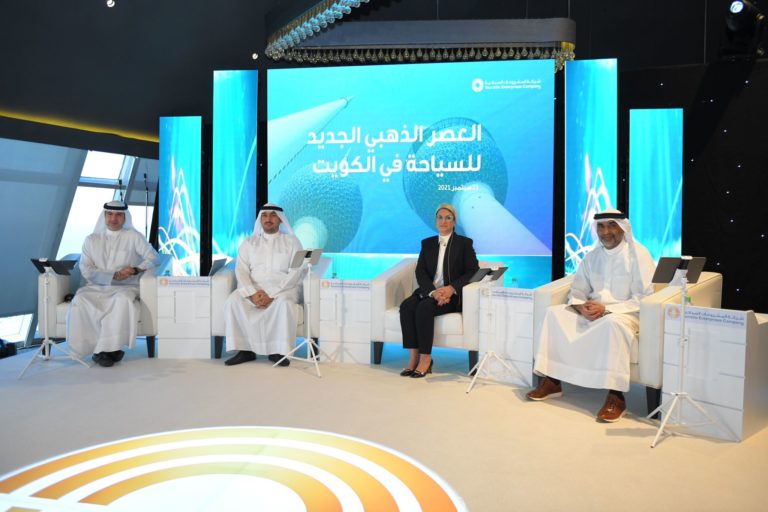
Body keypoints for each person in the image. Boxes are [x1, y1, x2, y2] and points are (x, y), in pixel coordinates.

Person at [527, 208, 656, 422]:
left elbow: (642, 299)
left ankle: (616, 396)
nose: (606, 232)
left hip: (626, 314)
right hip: (592, 312)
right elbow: (577, 291)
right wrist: (580, 307)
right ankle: (552, 381)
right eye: (601, 227)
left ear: (623, 228)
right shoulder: (592, 256)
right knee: (554, 314)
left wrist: (606, 309)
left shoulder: (638, 255)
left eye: (612, 226)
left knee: (612, 324)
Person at [67, 200, 159, 367]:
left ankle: (107, 350)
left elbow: (153, 258)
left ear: (125, 217)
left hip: (125, 287)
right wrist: (113, 275)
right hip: (95, 286)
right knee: (80, 300)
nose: (113, 218)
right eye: (109, 214)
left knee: (122, 300)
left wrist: (135, 269)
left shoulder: (133, 236)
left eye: (118, 215)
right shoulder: (91, 240)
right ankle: (98, 349)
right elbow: (85, 269)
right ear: (104, 216)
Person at [399, 203, 480, 378]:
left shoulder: (464, 243)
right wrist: (433, 292)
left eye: (448, 218)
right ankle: (413, 357)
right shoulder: (427, 243)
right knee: (406, 306)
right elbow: (420, 272)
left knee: (424, 307)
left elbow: (472, 270)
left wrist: (451, 289)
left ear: (454, 221)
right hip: (430, 292)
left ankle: (426, 359)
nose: (443, 221)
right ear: (436, 220)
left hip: (452, 297)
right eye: (440, 217)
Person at [222, 203, 305, 366]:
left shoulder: (292, 242)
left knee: (284, 304)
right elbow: (241, 270)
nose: (268, 219)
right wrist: (252, 293)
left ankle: (278, 351)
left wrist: (272, 294)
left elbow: (295, 272)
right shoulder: (249, 243)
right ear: (260, 220)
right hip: (254, 290)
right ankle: (245, 351)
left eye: (273, 215)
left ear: (280, 220)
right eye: (265, 216)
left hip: (283, 289)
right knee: (233, 301)